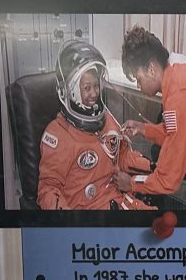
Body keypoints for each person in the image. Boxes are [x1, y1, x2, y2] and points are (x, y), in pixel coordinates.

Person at [37, 40, 154, 211]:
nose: (94, 93)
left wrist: (153, 166)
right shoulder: (57, 135)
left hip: (122, 201)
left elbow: (123, 156)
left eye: (96, 86)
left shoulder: (107, 119)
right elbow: (49, 189)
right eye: (86, 88)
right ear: (71, 90)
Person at [115, 25, 186, 209]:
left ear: (151, 69)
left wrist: (131, 183)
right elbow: (174, 132)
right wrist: (142, 128)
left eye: (138, 79)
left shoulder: (179, 97)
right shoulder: (176, 77)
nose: (138, 86)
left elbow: (169, 180)